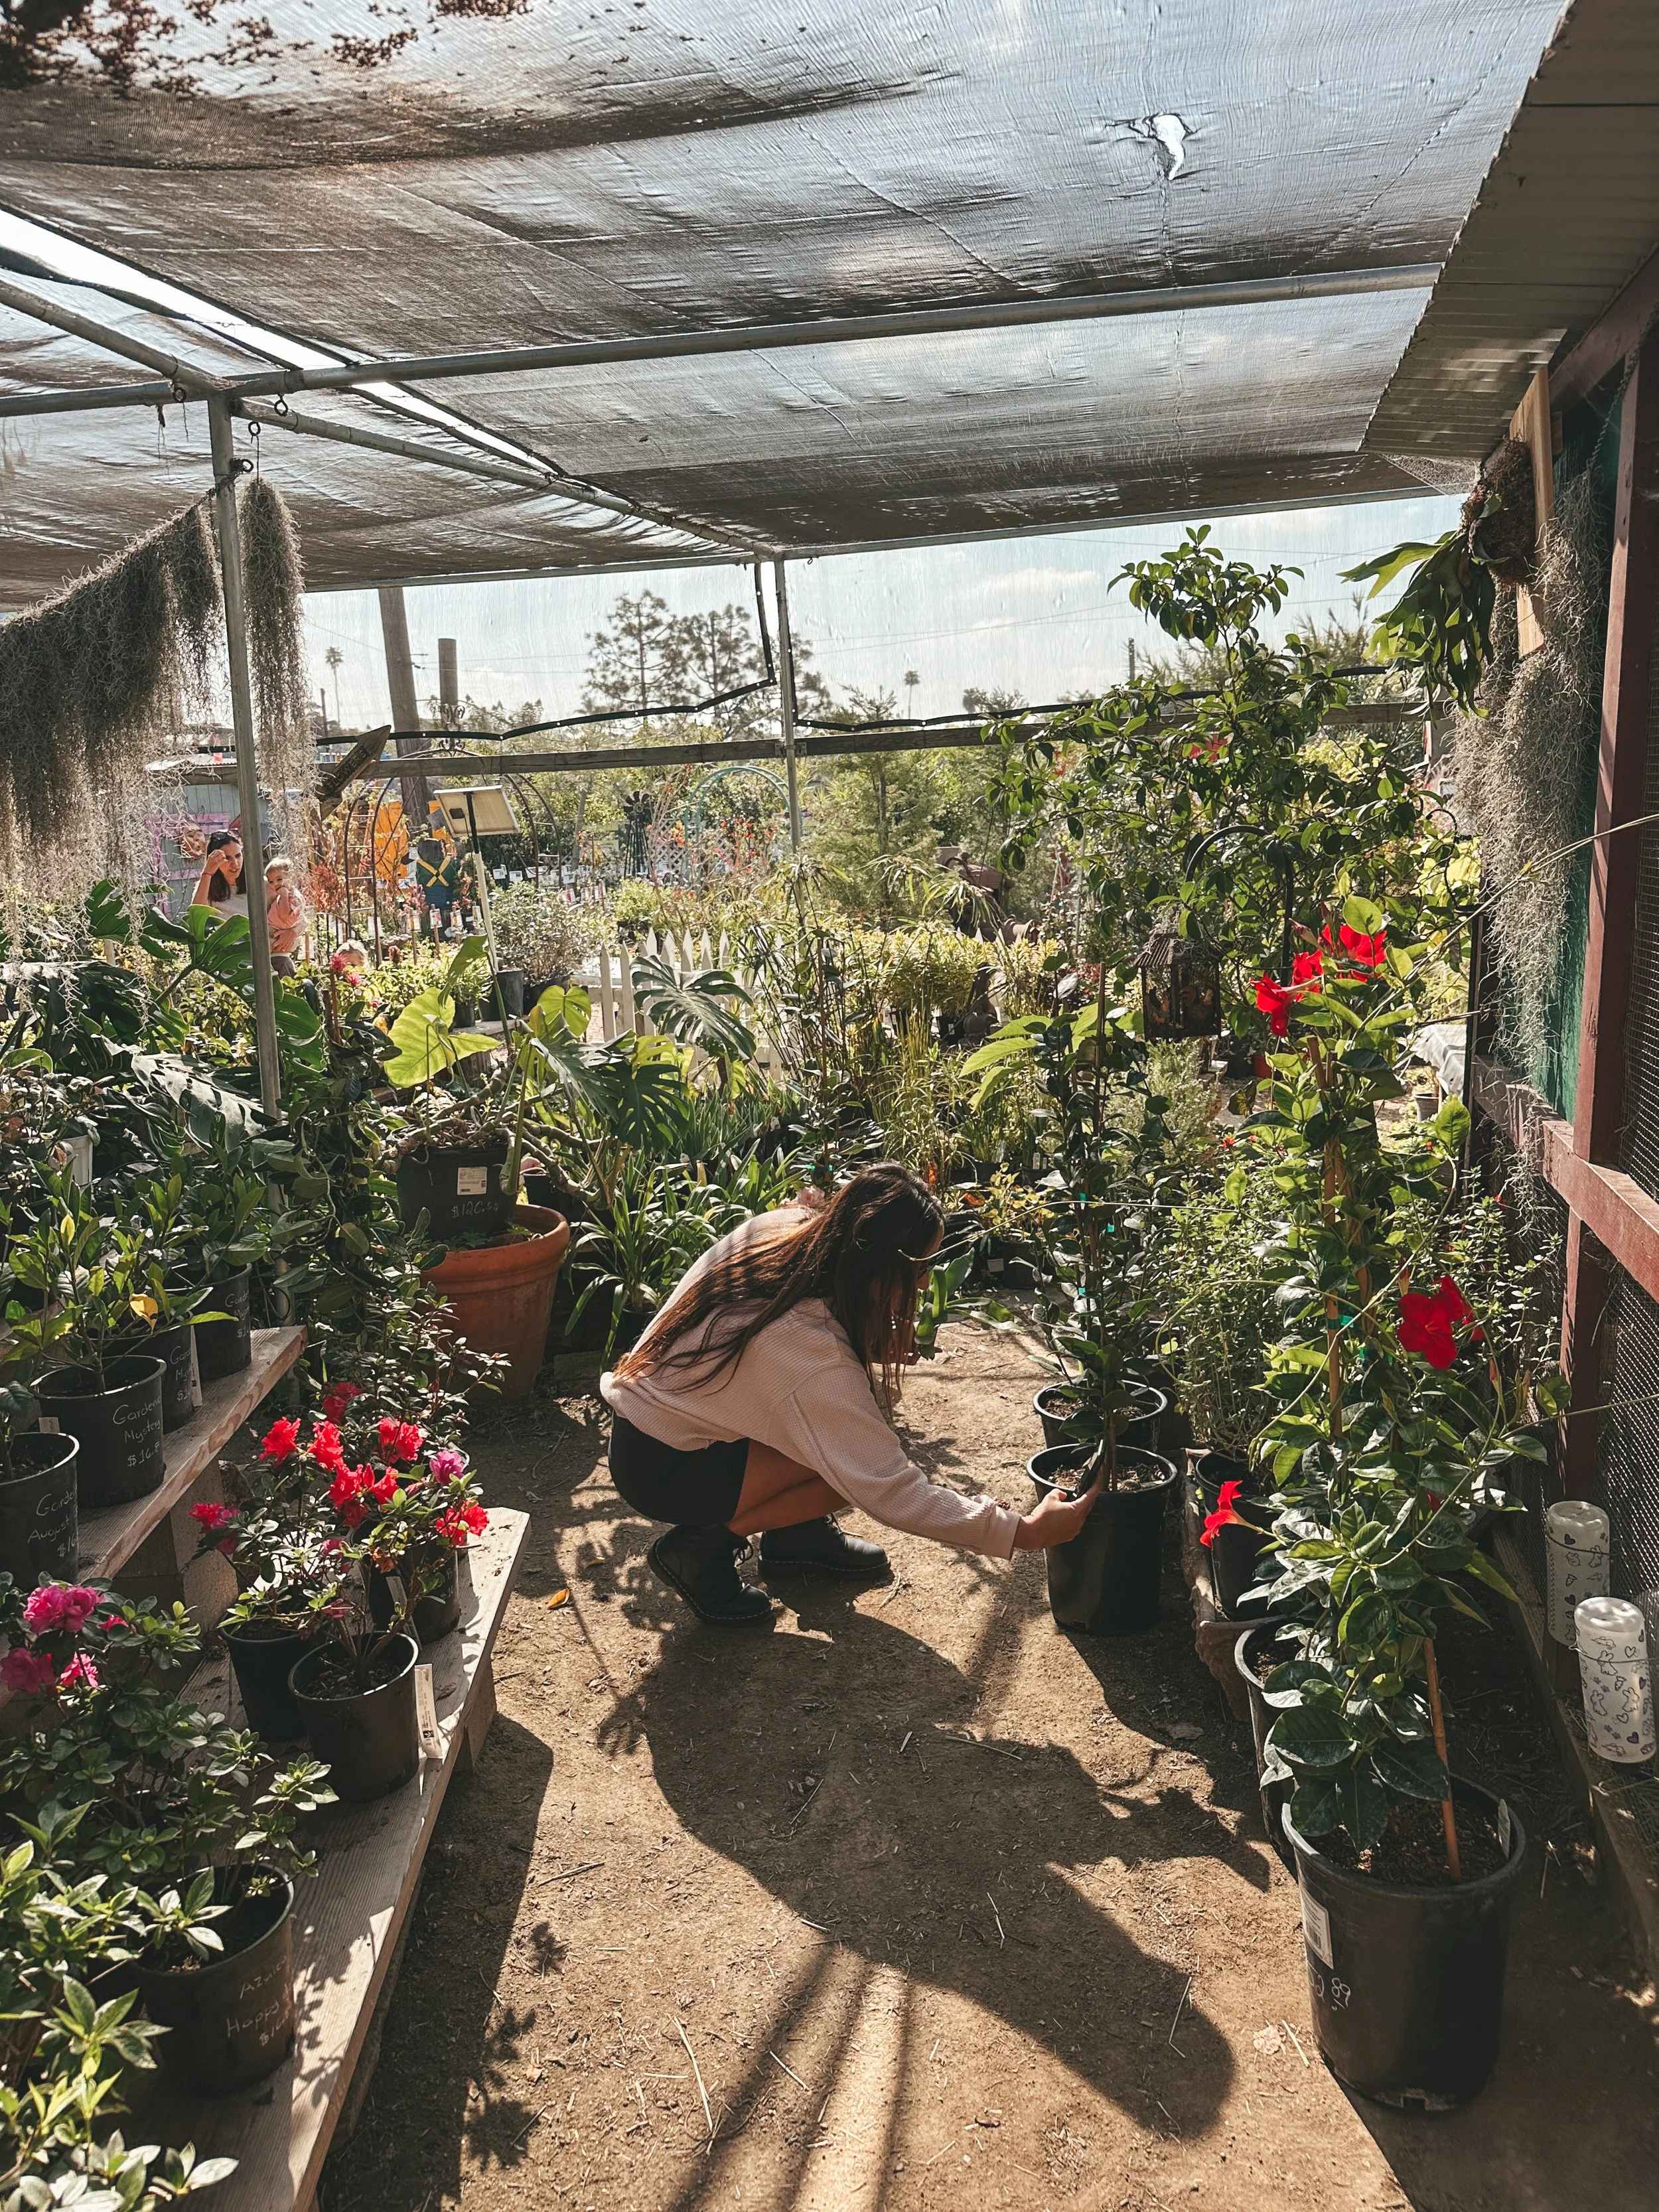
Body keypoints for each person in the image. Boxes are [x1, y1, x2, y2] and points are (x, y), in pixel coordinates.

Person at [600, 1163, 1101, 1625]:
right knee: (845, 1470)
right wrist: (1023, 1532)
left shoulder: (788, 1231)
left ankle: (796, 1535)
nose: (925, 1282)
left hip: (656, 1426)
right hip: (662, 1468)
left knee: (841, 1437)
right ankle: (702, 1549)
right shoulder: (810, 1351)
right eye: (918, 1268)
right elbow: (888, 1487)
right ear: (876, 1262)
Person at [265, 855, 305, 977]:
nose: (275, 884)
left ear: (290, 878)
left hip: (278, 953)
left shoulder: (291, 897)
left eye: (280, 879)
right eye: (271, 882)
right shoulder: (281, 894)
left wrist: (294, 931)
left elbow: (286, 916)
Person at [191, 828, 246, 915]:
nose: (235, 863)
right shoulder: (207, 889)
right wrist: (207, 873)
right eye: (227, 858)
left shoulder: (261, 884)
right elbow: (196, 917)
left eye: (238, 856)